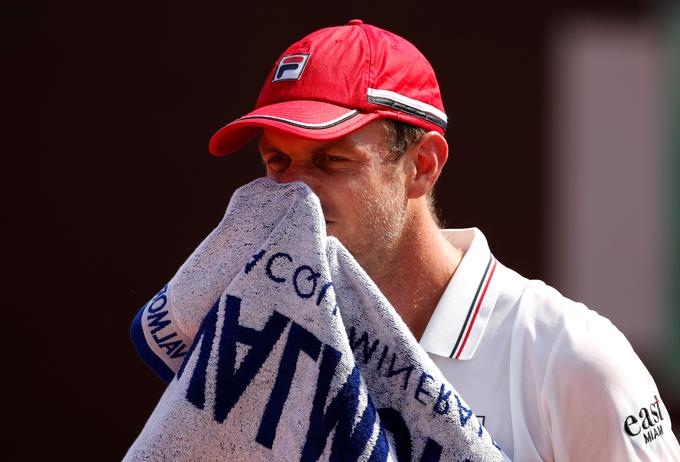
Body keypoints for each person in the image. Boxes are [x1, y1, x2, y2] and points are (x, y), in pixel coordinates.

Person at [204, 20, 680, 460]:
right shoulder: (262, 342)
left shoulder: (571, 355)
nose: (297, 196)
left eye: (333, 161)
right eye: (278, 163)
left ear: (422, 166)